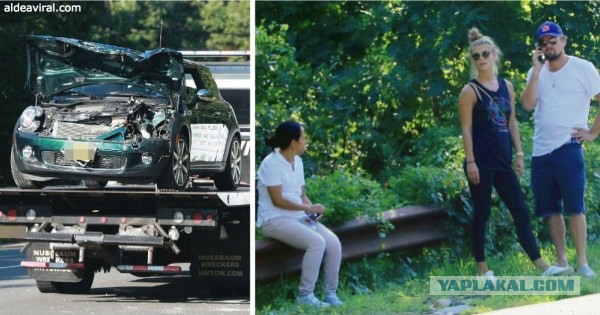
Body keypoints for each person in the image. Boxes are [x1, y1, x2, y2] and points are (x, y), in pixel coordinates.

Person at [458, 27, 572, 278]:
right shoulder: (470, 91)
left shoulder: (506, 86)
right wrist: (471, 161)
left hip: (503, 162)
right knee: (482, 213)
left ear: (494, 55)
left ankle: (541, 265)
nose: (481, 59)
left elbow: (512, 123)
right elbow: (466, 129)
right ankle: (482, 269)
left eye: (485, 54)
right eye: (476, 56)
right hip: (481, 162)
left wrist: (519, 154)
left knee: (520, 211)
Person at [521, 21, 600, 279]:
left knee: (575, 208)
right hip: (541, 150)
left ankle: (583, 263)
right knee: (549, 209)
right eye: (543, 43)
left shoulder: (582, 67)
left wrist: (592, 132)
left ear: (563, 41)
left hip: (568, 146)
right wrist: (535, 70)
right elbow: (527, 105)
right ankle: (562, 261)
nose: (548, 46)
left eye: (552, 41)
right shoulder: (537, 72)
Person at [257, 120, 343, 307]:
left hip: (297, 218)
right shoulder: (270, 163)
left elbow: (301, 195)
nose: (306, 142)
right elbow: (278, 200)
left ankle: (330, 294)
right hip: (273, 219)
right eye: (303, 138)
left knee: (333, 243)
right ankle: (305, 296)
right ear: (294, 142)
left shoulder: (298, 161)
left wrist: (312, 210)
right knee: (316, 242)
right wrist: (308, 209)